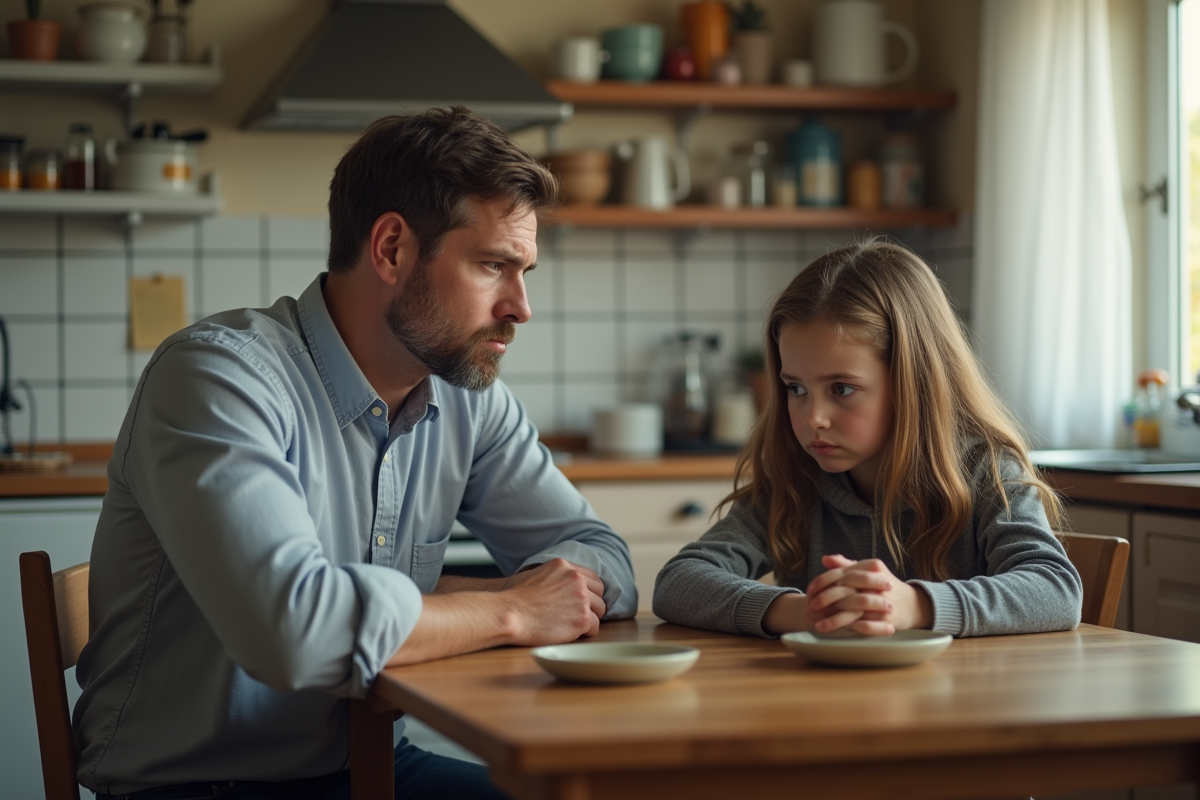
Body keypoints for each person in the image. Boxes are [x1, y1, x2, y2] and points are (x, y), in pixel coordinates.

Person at [73, 107, 637, 800]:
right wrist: (509, 608)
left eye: (525, 272)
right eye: (494, 266)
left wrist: (461, 598)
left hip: (375, 767)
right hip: (197, 786)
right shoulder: (217, 380)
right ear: (393, 249)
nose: (521, 307)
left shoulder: (466, 396)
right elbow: (296, 633)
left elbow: (603, 558)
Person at [653, 239, 1082, 639]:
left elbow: (1056, 589)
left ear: (912, 383)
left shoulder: (986, 473)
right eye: (795, 389)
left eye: (841, 388)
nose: (813, 418)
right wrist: (804, 613)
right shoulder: (797, 481)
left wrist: (912, 606)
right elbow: (678, 582)